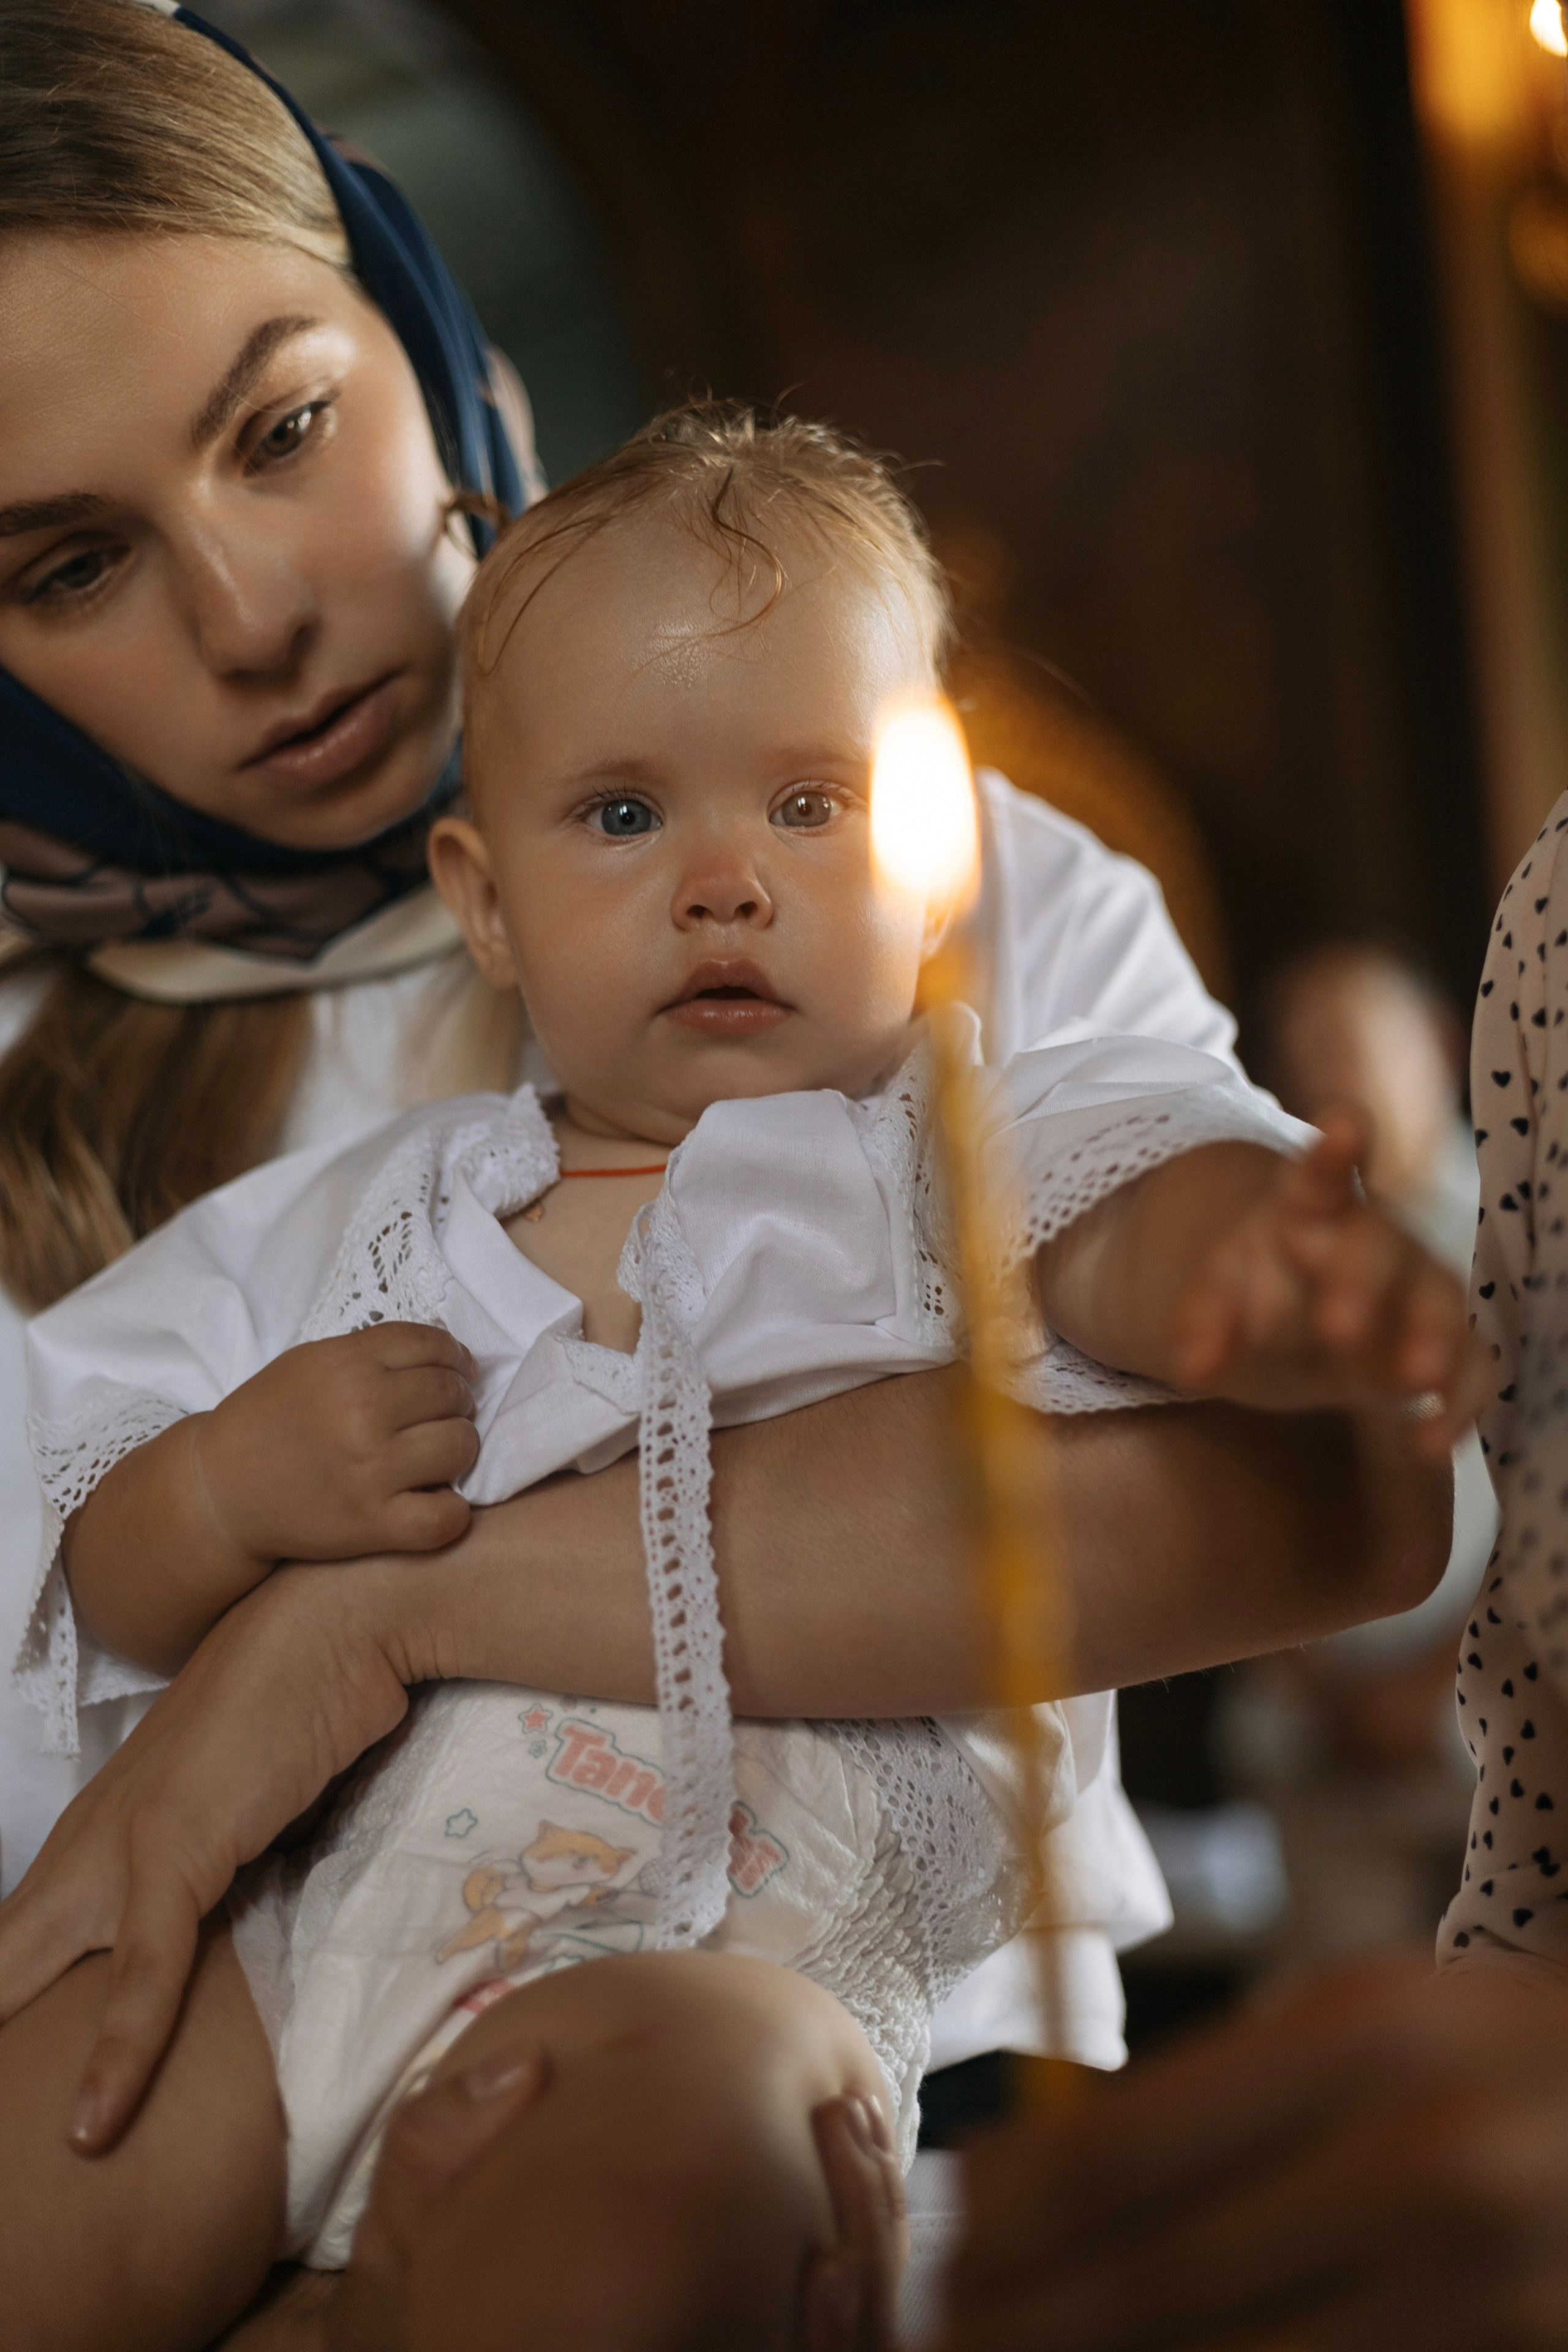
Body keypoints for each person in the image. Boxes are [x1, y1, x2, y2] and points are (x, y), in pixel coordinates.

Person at [0, 0, 1457, 2123]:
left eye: (285, 430)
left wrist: (368, 1620)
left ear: (408, 319)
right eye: (70, 565)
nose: (248, 618)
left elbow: (1359, 1502)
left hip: (864, 2075)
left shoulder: (914, 864)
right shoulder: (36, 1084)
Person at [931, 810, 1568, 2352]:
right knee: (1335, 2074)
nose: (1332, 1069)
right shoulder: (1269, 1237)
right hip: (1319, 1750)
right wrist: (1306, 1664)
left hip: (1506, 1729)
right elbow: (1216, 1500)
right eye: (1301, 1044)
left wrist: (1434, 1678)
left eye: (1357, 1038)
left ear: (1435, 1043)